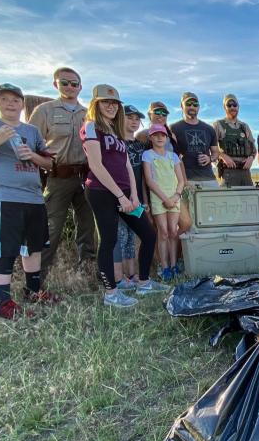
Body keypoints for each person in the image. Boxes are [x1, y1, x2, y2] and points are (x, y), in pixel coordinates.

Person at [0, 83, 59, 319]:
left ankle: (33, 290)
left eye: (15, 99)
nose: (10, 103)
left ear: (22, 103)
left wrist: (34, 156)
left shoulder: (31, 131)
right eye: (4, 99)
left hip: (34, 196)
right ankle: (2, 302)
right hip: (5, 195)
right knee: (4, 249)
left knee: (33, 247)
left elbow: (49, 164)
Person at [80, 84, 167, 307]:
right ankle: (111, 293)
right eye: (105, 102)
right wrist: (120, 196)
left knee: (148, 234)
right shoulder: (91, 127)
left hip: (126, 194)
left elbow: (127, 166)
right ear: (95, 105)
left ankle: (144, 282)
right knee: (109, 240)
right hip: (101, 192)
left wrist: (134, 196)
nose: (111, 106)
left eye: (114, 103)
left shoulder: (116, 132)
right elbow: (96, 165)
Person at [29, 66, 96, 280]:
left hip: (86, 175)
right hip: (59, 175)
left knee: (86, 224)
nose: (69, 87)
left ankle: (86, 269)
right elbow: (31, 143)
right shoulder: (44, 111)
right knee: (52, 225)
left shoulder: (89, 114)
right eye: (64, 82)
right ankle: (39, 274)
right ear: (55, 84)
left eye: (74, 83)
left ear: (80, 87)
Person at [169, 92, 218, 234]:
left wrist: (210, 158)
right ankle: (189, 254)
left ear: (199, 107)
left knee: (212, 217)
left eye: (195, 104)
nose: (192, 107)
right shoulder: (174, 128)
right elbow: (172, 157)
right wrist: (182, 182)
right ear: (181, 106)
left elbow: (215, 153)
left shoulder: (208, 129)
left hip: (209, 179)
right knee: (190, 221)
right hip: (187, 180)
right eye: (188, 104)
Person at [143, 124, 186, 281]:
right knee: (163, 232)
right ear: (151, 137)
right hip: (158, 198)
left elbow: (181, 180)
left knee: (173, 232)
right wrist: (165, 199)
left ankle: (174, 265)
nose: (160, 138)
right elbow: (149, 181)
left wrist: (175, 196)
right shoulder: (147, 155)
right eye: (156, 135)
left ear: (167, 138)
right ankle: (165, 266)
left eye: (163, 135)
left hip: (174, 197)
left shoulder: (172, 156)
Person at [113, 105, 146, 289]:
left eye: (136, 118)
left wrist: (144, 200)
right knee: (119, 236)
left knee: (131, 239)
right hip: (120, 197)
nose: (133, 121)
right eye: (129, 117)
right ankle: (118, 279)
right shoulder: (115, 143)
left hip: (137, 198)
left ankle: (131, 276)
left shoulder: (140, 145)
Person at [213, 94, 256, 187]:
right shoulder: (218, 125)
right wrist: (223, 156)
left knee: (249, 200)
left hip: (245, 172)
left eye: (234, 104)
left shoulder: (244, 126)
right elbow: (211, 148)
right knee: (227, 201)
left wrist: (251, 158)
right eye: (229, 105)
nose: (232, 107)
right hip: (228, 172)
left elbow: (253, 149)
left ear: (238, 106)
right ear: (224, 107)